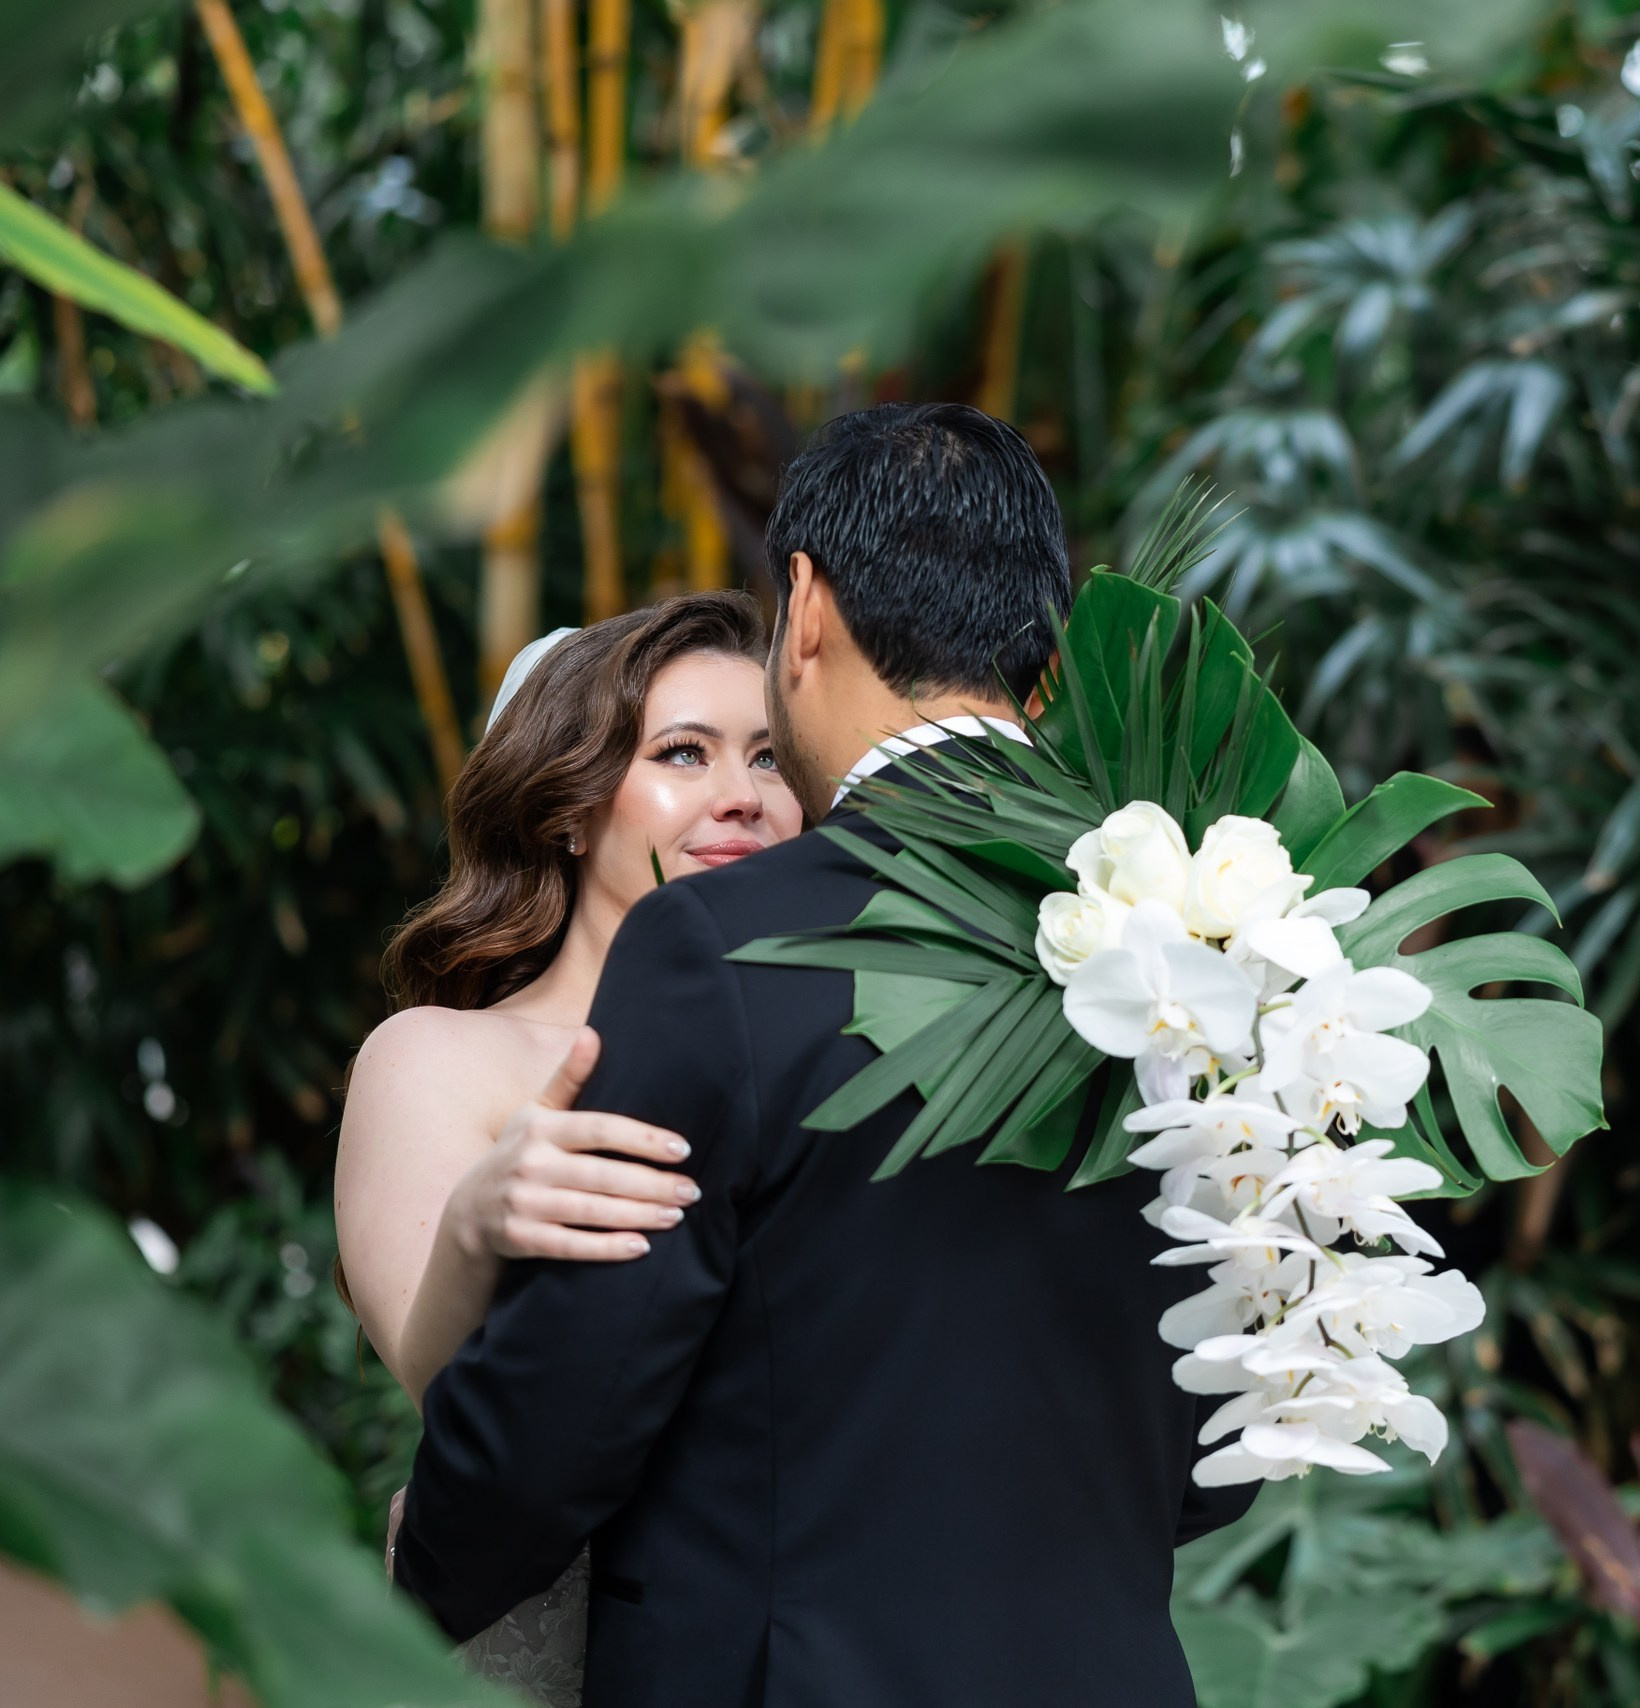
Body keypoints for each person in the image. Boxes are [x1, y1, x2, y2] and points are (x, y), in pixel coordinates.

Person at [392, 403, 1255, 1708]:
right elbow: (1220, 1441)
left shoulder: (724, 950)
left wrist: (425, 1587)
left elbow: (563, 1413)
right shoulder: (1207, 954)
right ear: (1042, 642)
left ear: (802, 608)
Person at [334, 591, 804, 1703]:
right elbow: (451, 1395)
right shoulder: (436, 1055)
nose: (740, 797)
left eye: (772, 758)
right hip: (538, 1630)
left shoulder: (815, 1041)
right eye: (682, 754)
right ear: (570, 807)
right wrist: (473, 1223)